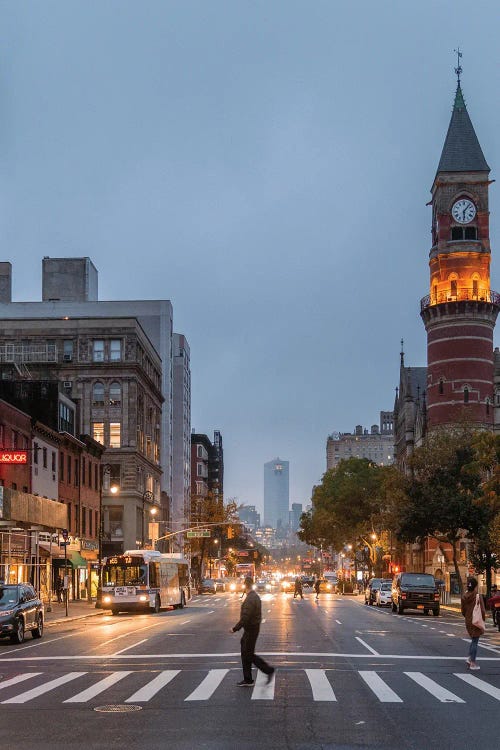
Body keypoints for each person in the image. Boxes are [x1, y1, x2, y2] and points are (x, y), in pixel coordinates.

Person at [230, 576, 275, 686]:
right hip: (251, 629)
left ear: (245, 586)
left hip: (251, 629)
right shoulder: (254, 596)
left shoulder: (250, 599)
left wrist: (235, 628)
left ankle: (267, 670)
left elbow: (246, 617)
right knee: (246, 653)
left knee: (248, 654)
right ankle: (248, 679)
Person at [461, 576, 485, 670]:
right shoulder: (477, 596)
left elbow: (462, 610)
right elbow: (482, 610)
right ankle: (473, 663)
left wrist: (467, 617)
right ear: (475, 586)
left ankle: (469, 658)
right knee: (475, 641)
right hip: (476, 620)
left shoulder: (464, 596)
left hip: (468, 620)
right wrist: (482, 619)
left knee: (473, 640)